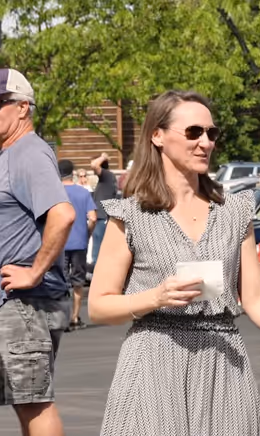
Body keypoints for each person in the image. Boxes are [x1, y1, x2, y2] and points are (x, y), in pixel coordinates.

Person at [88, 90, 260, 435]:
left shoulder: (234, 211)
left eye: (211, 133)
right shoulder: (131, 215)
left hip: (223, 363)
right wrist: (155, 298)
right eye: (194, 132)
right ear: (157, 136)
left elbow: (255, 298)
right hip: (153, 361)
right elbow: (99, 306)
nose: (205, 142)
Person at [0, 68, 75, 436]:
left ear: (23, 108)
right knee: (23, 399)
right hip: (17, 303)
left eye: (0, 103)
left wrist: (33, 271)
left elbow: (63, 215)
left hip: (26, 301)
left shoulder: (27, 151)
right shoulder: (11, 153)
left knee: (32, 400)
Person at [59, 160, 97, 331]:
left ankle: (63, 317)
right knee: (78, 281)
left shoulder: (55, 193)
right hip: (79, 242)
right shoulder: (83, 193)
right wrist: (87, 233)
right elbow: (93, 218)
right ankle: (74, 317)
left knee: (62, 281)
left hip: (59, 242)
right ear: (72, 173)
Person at [90, 152, 117, 265]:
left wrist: (103, 157)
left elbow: (94, 165)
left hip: (102, 217)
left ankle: (96, 271)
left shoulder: (106, 175)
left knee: (98, 247)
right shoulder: (107, 177)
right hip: (103, 216)